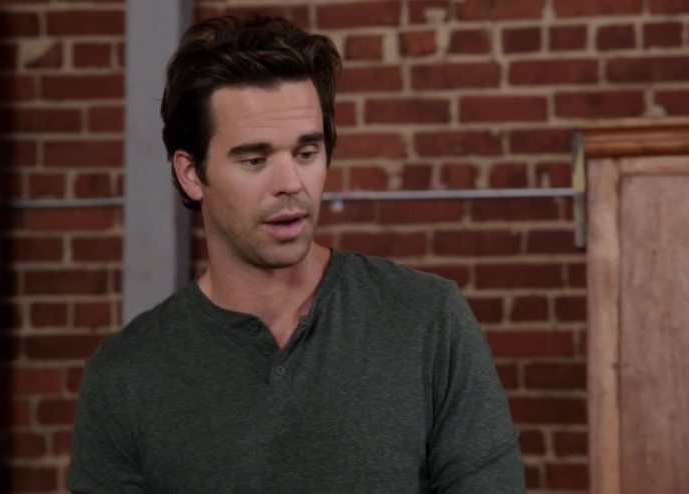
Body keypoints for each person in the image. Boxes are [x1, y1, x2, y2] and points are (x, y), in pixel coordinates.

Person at [68, 14, 524, 493]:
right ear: (191, 174)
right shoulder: (126, 375)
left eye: (306, 153)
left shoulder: (427, 320)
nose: (290, 184)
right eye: (255, 159)